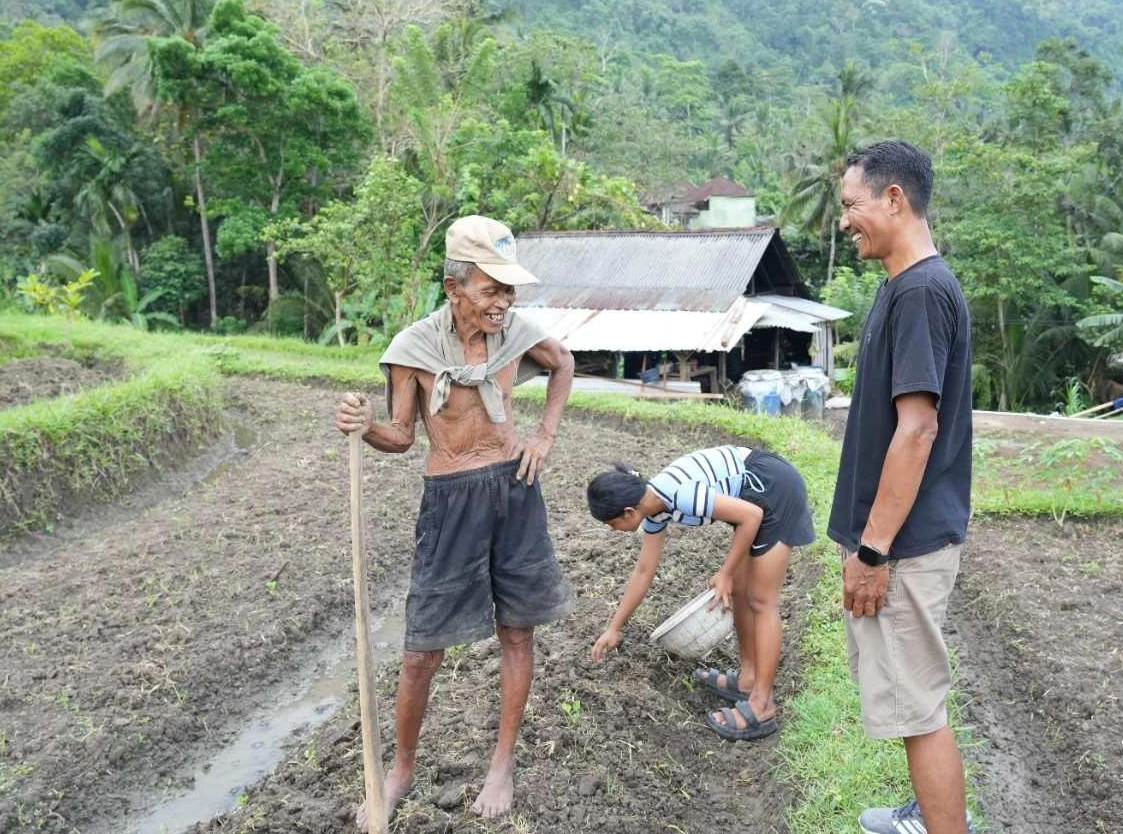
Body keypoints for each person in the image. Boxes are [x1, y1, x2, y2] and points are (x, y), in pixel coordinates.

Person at [333, 215, 575, 826]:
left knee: (518, 631)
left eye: (509, 289)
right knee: (421, 651)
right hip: (450, 496)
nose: (505, 301)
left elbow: (563, 362)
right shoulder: (414, 349)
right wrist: (365, 429)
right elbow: (401, 434)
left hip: (514, 490)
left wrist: (543, 435)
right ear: (454, 288)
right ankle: (401, 770)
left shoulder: (514, 334)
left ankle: (502, 764)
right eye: (492, 289)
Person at [827, 141, 976, 834]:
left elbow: (916, 430)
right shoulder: (906, 284)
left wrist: (874, 550)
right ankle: (923, 814)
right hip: (902, 536)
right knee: (910, 698)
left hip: (904, 543)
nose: (844, 222)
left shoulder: (919, 291)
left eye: (852, 206)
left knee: (918, 710)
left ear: (895, 199)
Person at [585, 444, 815, 741]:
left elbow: (752, 516)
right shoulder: (654, 509)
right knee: (741, 594)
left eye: (610, 523)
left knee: (762, 601)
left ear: (629, 512)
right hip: (751, 500)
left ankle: (762, 706)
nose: (612, 530)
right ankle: (747, 679)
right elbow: (644, 571)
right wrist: (614, 628)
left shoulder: (680, 494)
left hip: (774, 489)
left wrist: (725, 573)